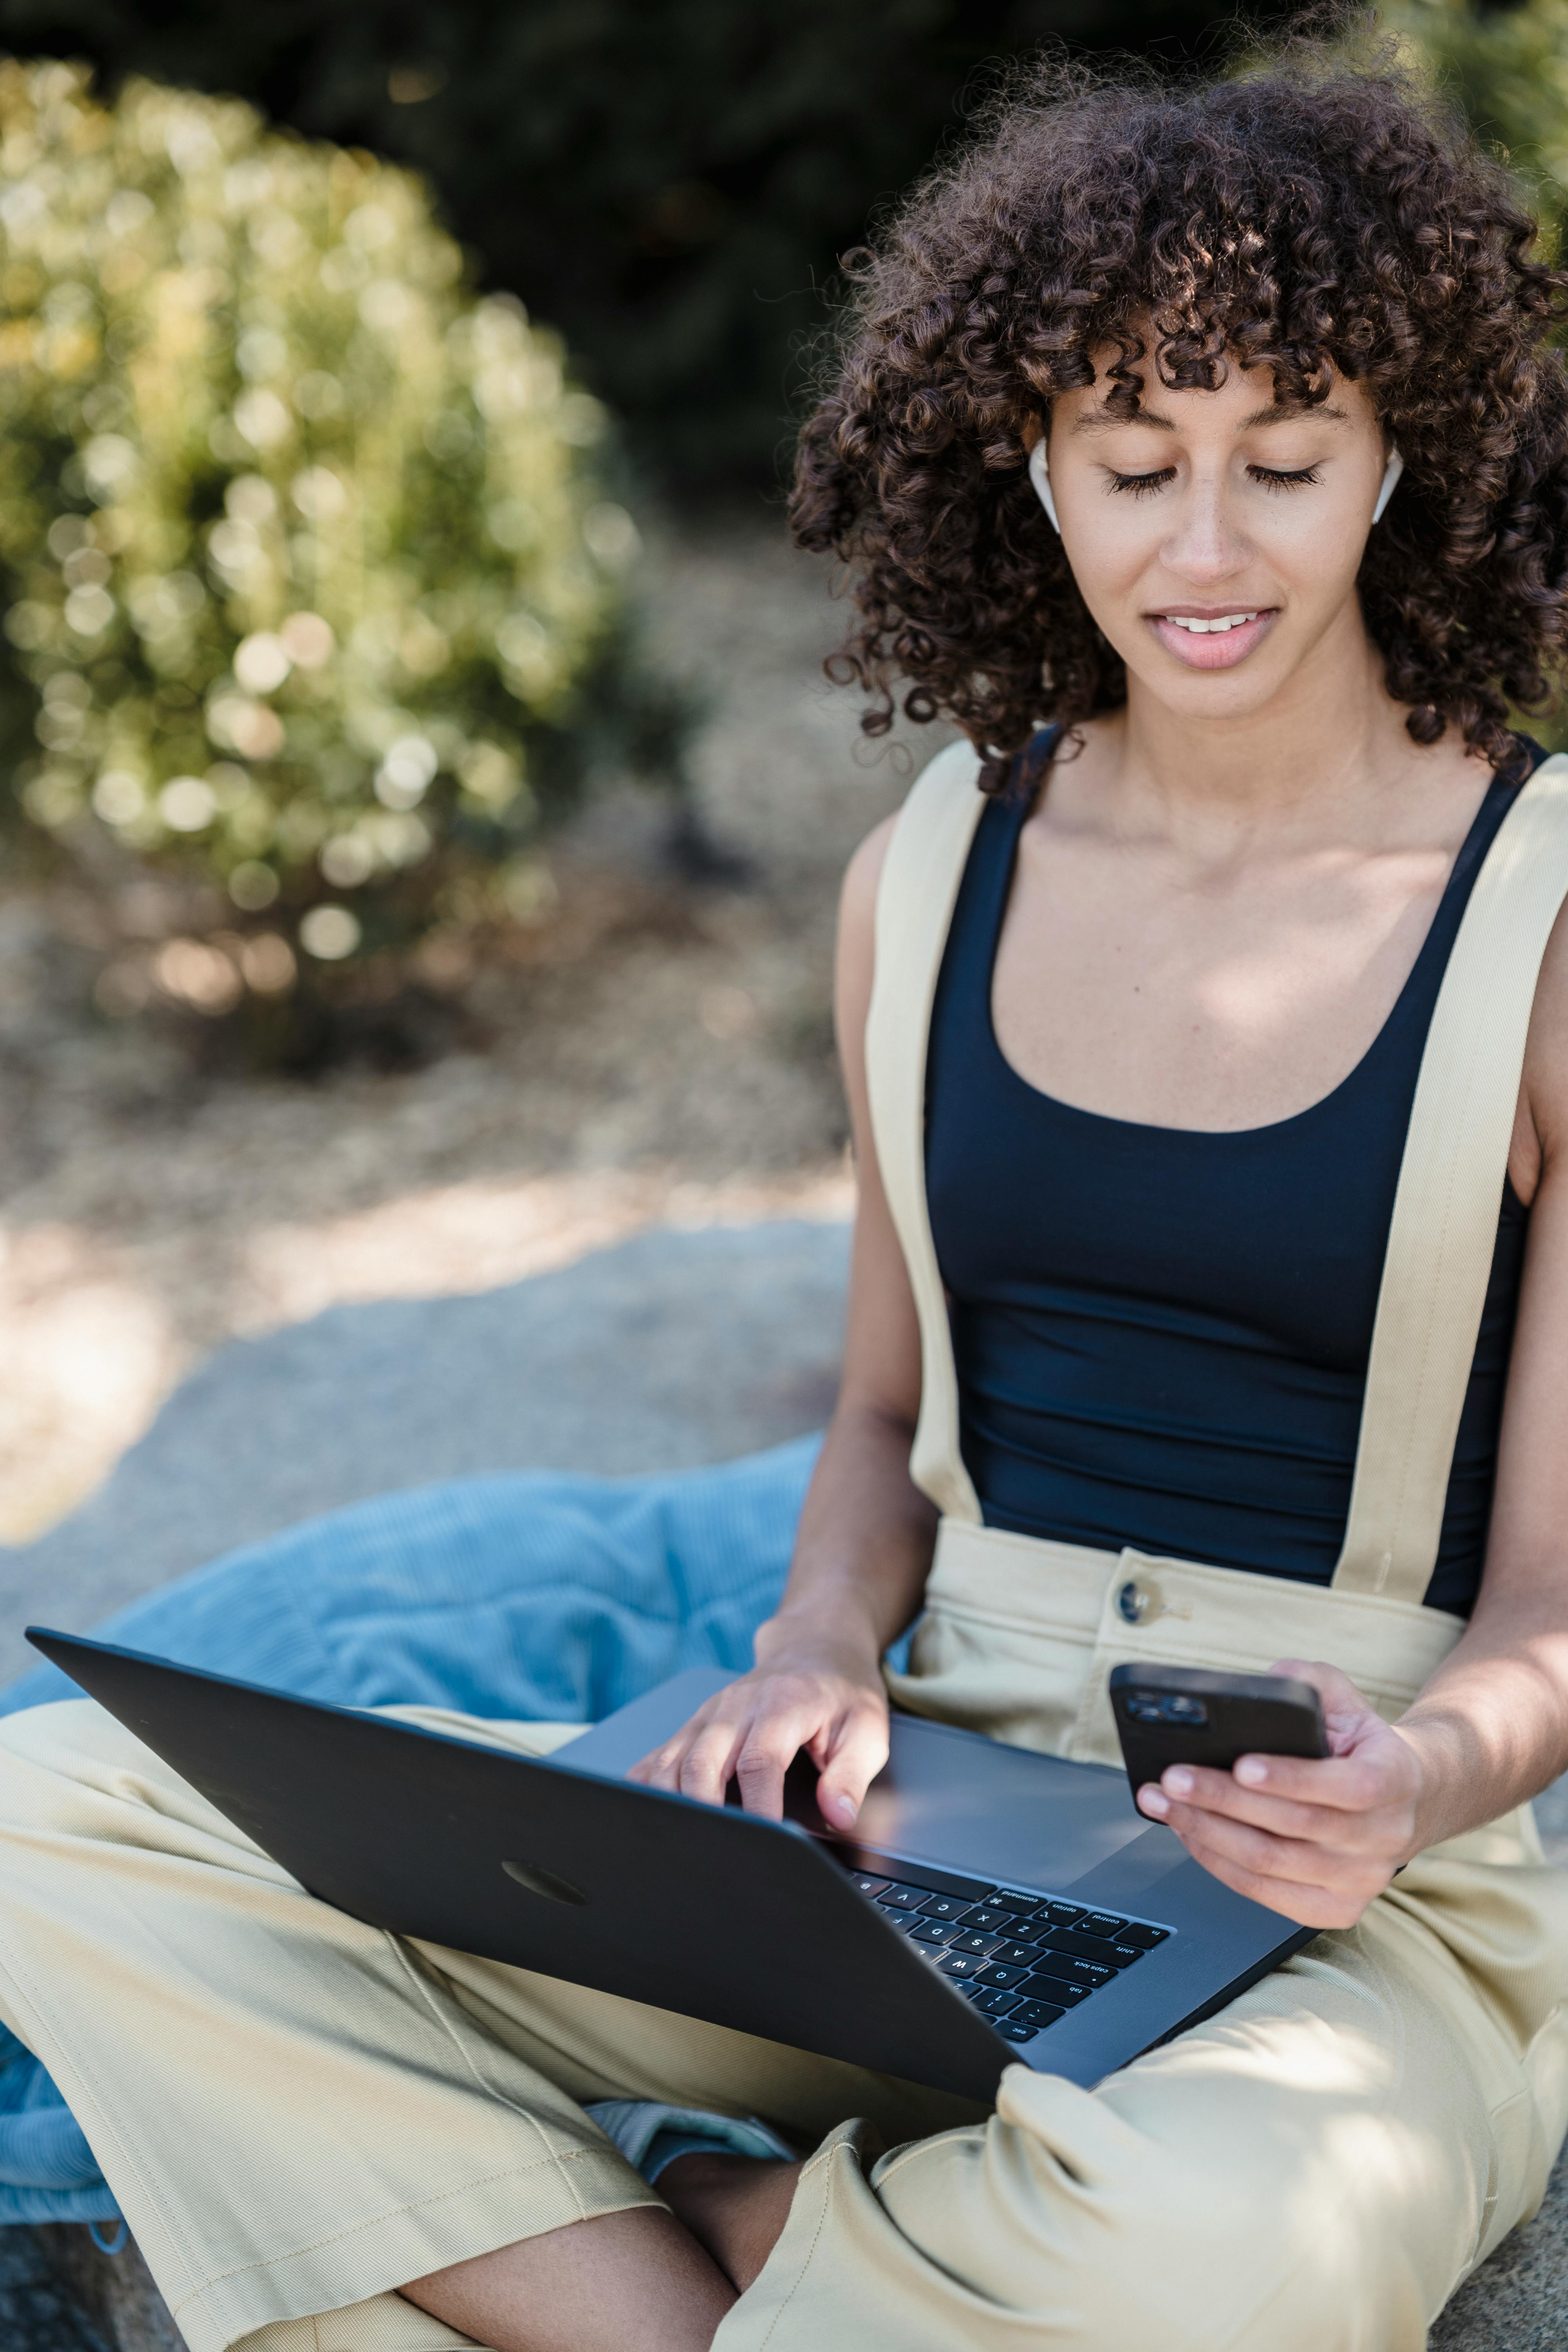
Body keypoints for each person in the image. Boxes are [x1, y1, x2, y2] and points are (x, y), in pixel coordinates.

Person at [5, 36, 1568, 2352]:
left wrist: (1413, 1777)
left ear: (1397, 459)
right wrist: (816, 1655)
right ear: (1034, 469)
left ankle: (599, 2252)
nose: (1208, 548)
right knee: (67, 1823)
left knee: (1218, 2254)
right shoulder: (928, 874)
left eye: (1286, 462)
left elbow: (1552, 1593)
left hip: (1345, 1888)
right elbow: (874, 1421)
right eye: (1137, 465)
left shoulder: (1539, 918)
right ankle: (743, 2283)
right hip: (931, 1815)